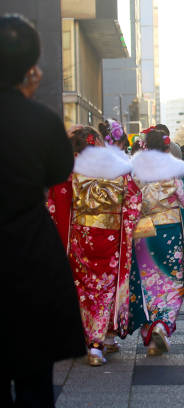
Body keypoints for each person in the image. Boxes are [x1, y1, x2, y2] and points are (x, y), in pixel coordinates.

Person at [1, 14, 85, 405]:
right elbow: (59, 171)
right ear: (31, 67)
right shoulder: (42, 120)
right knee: (35, 374)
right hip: (29, 249)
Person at [48, 127, 142, 366]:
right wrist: (125, 224)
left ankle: (97, 339)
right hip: (111, 236)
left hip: (82, 236)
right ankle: (98, 343)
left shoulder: (71, 171)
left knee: (86, 288)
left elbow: (57, 201)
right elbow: (134, 200)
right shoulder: (119, 169)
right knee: (107, 288)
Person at [129, 129, 184, 356]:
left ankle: (149, 328)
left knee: (147, 283)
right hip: (170, 230)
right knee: (172, 281)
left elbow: (130, 201)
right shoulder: (175, 171)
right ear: (167, 148)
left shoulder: (135, 171)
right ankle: (162, 326)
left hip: (144, 233)